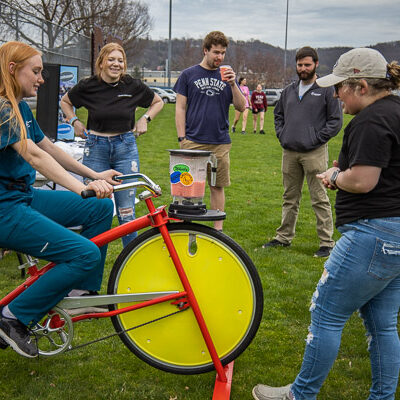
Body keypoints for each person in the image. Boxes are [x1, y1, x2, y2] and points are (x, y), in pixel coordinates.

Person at [253, 48, 400, 400]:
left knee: (326, 312)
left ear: (361, 85)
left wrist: (337, 174)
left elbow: (363, 181)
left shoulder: (371, 120)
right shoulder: (395, 111)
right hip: (393, 235)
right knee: (383, 325)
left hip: (371, 233)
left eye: (341, 88)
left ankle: (300, 395)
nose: (336, 95)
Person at [0, 41, 119, 358]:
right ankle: (12, 318)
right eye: (36, 71)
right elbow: (36, 157)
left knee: (99, 206)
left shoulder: (20, 106)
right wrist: (80, 187)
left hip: (22, 197)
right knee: (86, 254)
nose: (41, 79)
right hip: (5, 210)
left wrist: (93, 177)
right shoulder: (2, 110)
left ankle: (81, 290)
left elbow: (49, 147)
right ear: (13, 69)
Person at [60, 43, 164, 247]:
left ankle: (130, 260)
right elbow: (65, 101)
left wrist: (145, 119)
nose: (116, 64)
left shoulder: (131, 85)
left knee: (127, 211)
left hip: (125, 148)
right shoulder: (88, 85)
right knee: (96, 209)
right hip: (95, 148)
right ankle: (90, 259)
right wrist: (74, 121)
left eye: (120, 60)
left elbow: (158, 101)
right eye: (111, 59)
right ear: (101, 62)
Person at [263, 46, 342, 258]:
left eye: (307, 64)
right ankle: (283, 237)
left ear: (316, 64)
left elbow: (335, 121)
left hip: (314, 152)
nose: (303, 68)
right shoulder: (289, 90)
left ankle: (326, 243)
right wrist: (283, 134)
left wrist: (315, 139)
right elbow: (278, 116)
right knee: (290, 197)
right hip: (289, 152)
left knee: (319, 197)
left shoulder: (326, 89)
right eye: (300, 64)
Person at [174, 31, 246, 231]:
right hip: (193, 140)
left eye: (223, 53)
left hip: (220, 142)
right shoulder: (188, 75)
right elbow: (180, 107)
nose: (219, 57)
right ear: (205, 50)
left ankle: (217, 231)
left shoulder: (227, 77)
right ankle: (185, 226)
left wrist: (233, 84)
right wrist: (182, 138)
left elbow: (241, 106)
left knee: (217, 186)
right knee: (188, 187)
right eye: (215, 52)